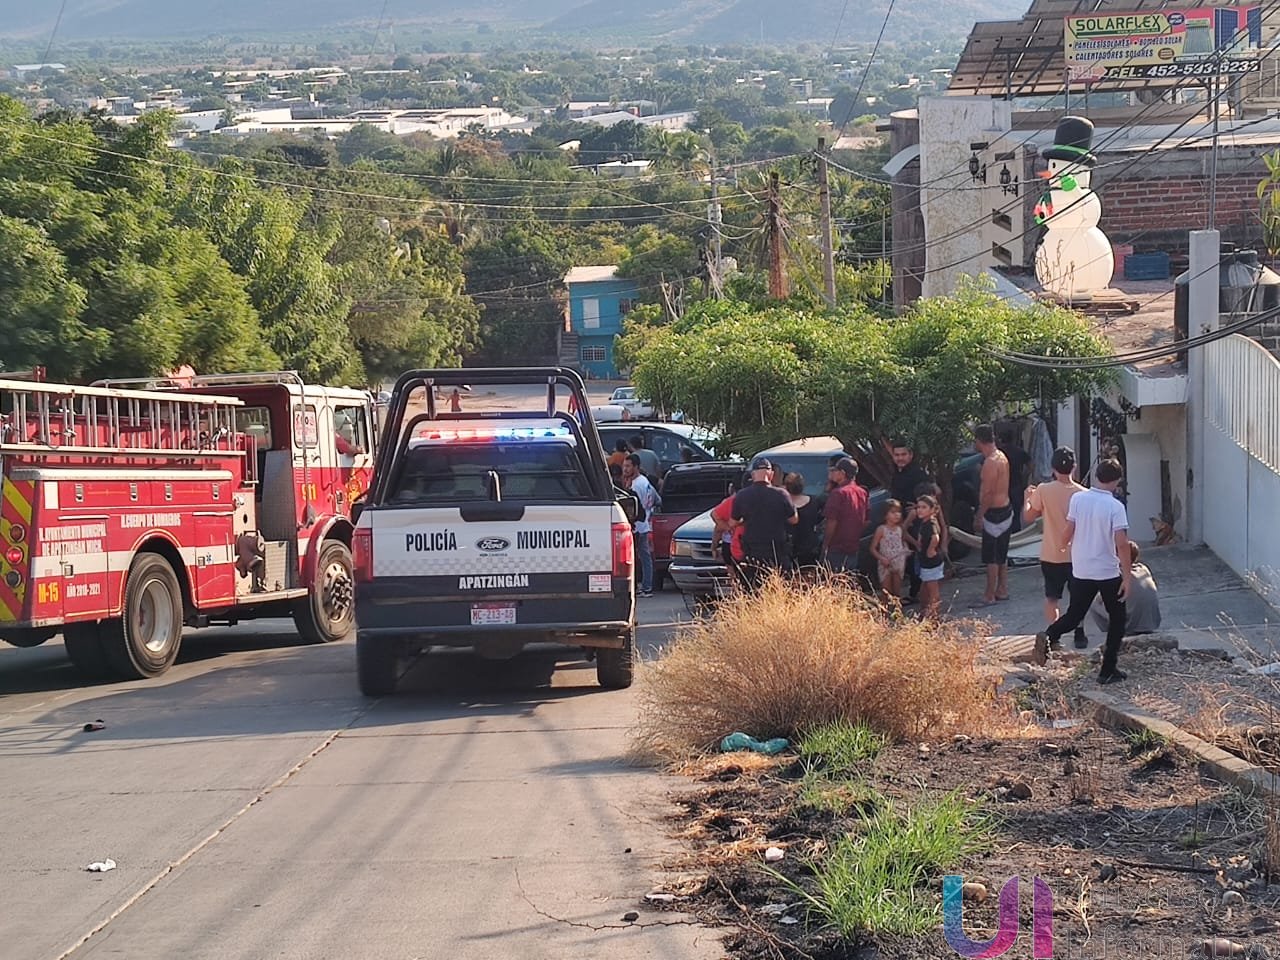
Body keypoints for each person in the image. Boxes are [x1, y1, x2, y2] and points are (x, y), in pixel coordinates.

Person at [1033, 458, 1132, 684]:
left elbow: (1069, 530)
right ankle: (1108, 669)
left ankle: (1048, 636)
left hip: (1081, 569)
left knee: (1074, 614)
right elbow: (1122, 544)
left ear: (1097, 476)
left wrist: (1061, 545)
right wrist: (1127, 576)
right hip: (1107, 571)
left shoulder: (1079, 498)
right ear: (1117, 481)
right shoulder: (1115, 506)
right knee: (1117, 620)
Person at [1023, 446, 1088, 650]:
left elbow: (1029, 516)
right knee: (1079, 598)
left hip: (1051, 554)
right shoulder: (1083, 494)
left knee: (1052, 598)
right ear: (1074, 467)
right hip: (1078, 555)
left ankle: (1054, 634)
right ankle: (1079, 632)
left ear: (1053, 468)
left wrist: (1027, 498)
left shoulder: (1043, 490)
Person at [732, 457, 798, 585]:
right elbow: (794, 520)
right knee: (780, 589)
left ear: (753, 474)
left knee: (752, 590)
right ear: (771, 474)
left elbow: (732, 522)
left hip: (752, 552)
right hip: (777, 552)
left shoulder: (742, 495)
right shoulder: (782, 494)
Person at [973, 423, 1013, 607]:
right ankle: (1002, 589)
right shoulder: (1002, 457)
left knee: (991, 558)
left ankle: (989, 594)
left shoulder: (990, 462)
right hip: (1005, 509)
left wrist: (980, 515)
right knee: (1001, 555)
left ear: (978, 441)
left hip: (994, 513)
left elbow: (988, 494)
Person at [889, 440, 930, 602]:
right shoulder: (897, 473)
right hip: (899, 521)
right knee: (908, 558)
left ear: (911, 455)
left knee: (916, 557)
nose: (900, 458)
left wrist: (917, 508)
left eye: (903, 454)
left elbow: (934, 493)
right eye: (897, 455)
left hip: (916, 523)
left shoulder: (918, 474)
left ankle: (917, 593)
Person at [1090, 542, 1161, 636]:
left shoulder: (1117, 574)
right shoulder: (1143, 568)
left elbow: (1101, 598)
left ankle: (1114, 632)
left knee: (1094, 604)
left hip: (1132, 625)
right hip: (1152, 622)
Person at [821, 457, 869, 577]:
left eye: (836, 470)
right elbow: (866, 520)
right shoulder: (862, 492)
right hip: (853, 546)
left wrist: (825, 544)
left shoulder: (838, 493)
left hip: (836, 547)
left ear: (842, 473)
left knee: (833, 582)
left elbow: (832, 521)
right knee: (848, 582)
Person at [623, 453, 658, 598]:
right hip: (645, 524)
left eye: (628, 466)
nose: (625, 469)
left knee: (641, 557)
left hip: (639, 525)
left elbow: (634, 508)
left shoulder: (637, 485)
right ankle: (645, 586)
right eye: (624, 466)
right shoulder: (644, 481)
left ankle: (645, 587)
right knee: (644, 557)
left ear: (636, 467)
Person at [870, 499, 910, 603]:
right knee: (886, 592)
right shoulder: (881, 529)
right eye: (893, 512)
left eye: (898, 512)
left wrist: (905, 550)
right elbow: (873, 548)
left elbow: (903, 542)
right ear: (885, 514)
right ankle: (884, 615)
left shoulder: (900, 529)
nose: (897, 515)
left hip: (899, 563)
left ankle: (897, 614)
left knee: (897, 592)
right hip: (885, 564)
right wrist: (881, 558)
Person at [914, 494, 945, 618]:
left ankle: (935, 616)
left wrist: (931, 549)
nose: (920, 510)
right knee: (925, 589)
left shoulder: (930, 524)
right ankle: (926, 611)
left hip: (931, 562)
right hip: (925, 561)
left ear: (932, 509)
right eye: (918, 507)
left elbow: (935, 537)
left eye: (924, 507)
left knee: (933, 591)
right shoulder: (925, 522)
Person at [784, 473, 822, 568]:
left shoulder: (782, 503)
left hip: (787, 548)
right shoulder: (814, 501)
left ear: (786, 486)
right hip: (809, 547)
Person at [999, 426, 1031, 534]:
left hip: (1002, 487)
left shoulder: (999, 453)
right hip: (1017, 485)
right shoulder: (1019, 451)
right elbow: (1031, 465)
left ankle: (1005, 535)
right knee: (1016, 513)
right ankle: (1016, 535)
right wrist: (1025, 476)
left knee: (1003, 513)